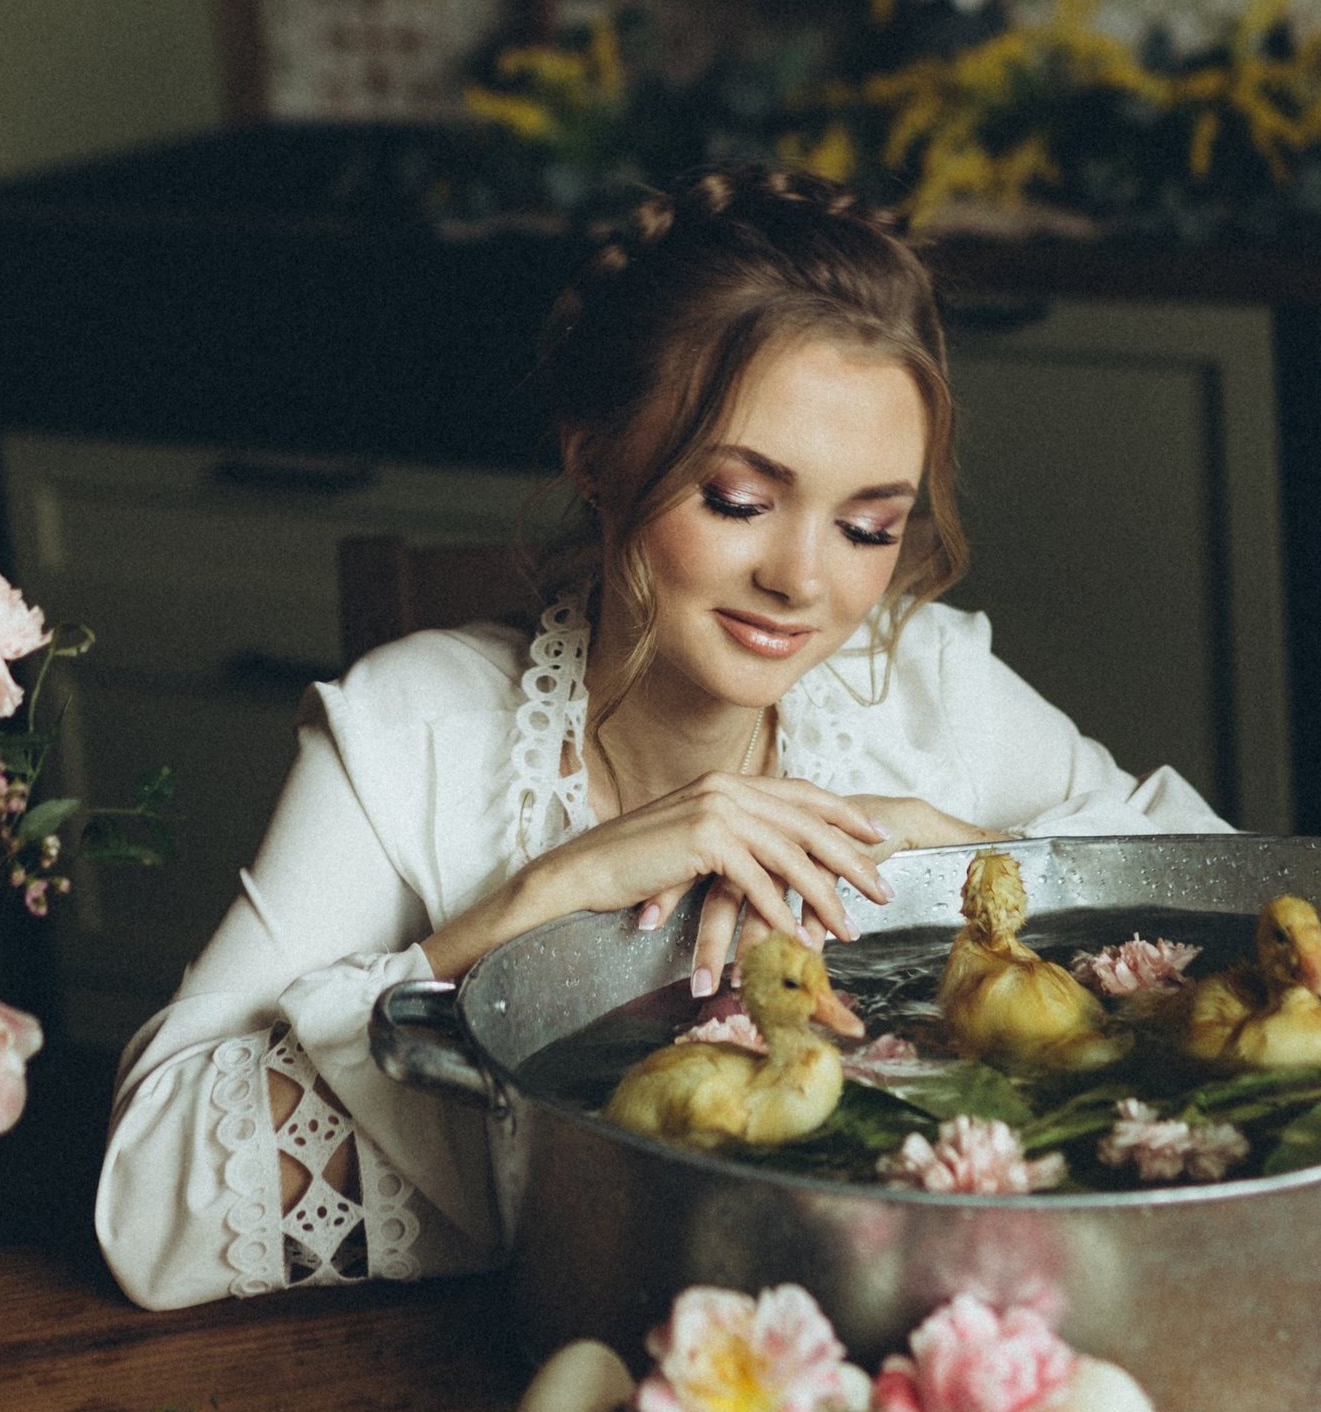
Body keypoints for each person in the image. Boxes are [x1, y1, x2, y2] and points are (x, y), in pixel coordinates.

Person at [95, 168, 1226, 1307]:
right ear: (596, 457)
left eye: (868, 524)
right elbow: (149, 1205)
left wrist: (957, 859)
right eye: (738, 500)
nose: (801, 581)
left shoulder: (924, 682)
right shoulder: (409, 733)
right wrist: (540, 899)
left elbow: (1251, 943)